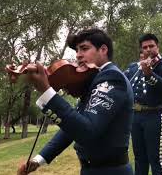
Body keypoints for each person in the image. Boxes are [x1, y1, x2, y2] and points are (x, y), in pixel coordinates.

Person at [17, 28, 134, 175]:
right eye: (77, 50)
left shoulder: (112, 78)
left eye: (84, 48)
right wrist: (39, 159)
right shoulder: (93, 80)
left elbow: (87, 131)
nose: (78, 55)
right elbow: (72, 128)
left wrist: (47, 92)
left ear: (103, 49)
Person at [124, 33, 162, 175]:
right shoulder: (133, 67)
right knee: (139, 158)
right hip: (136, 117)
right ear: (141, 50)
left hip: (157, 115)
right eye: (144, 47)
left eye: (151, 46)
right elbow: (122, 84)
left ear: (157, 47)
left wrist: (149, 74)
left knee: (157, 159)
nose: (148, 49)